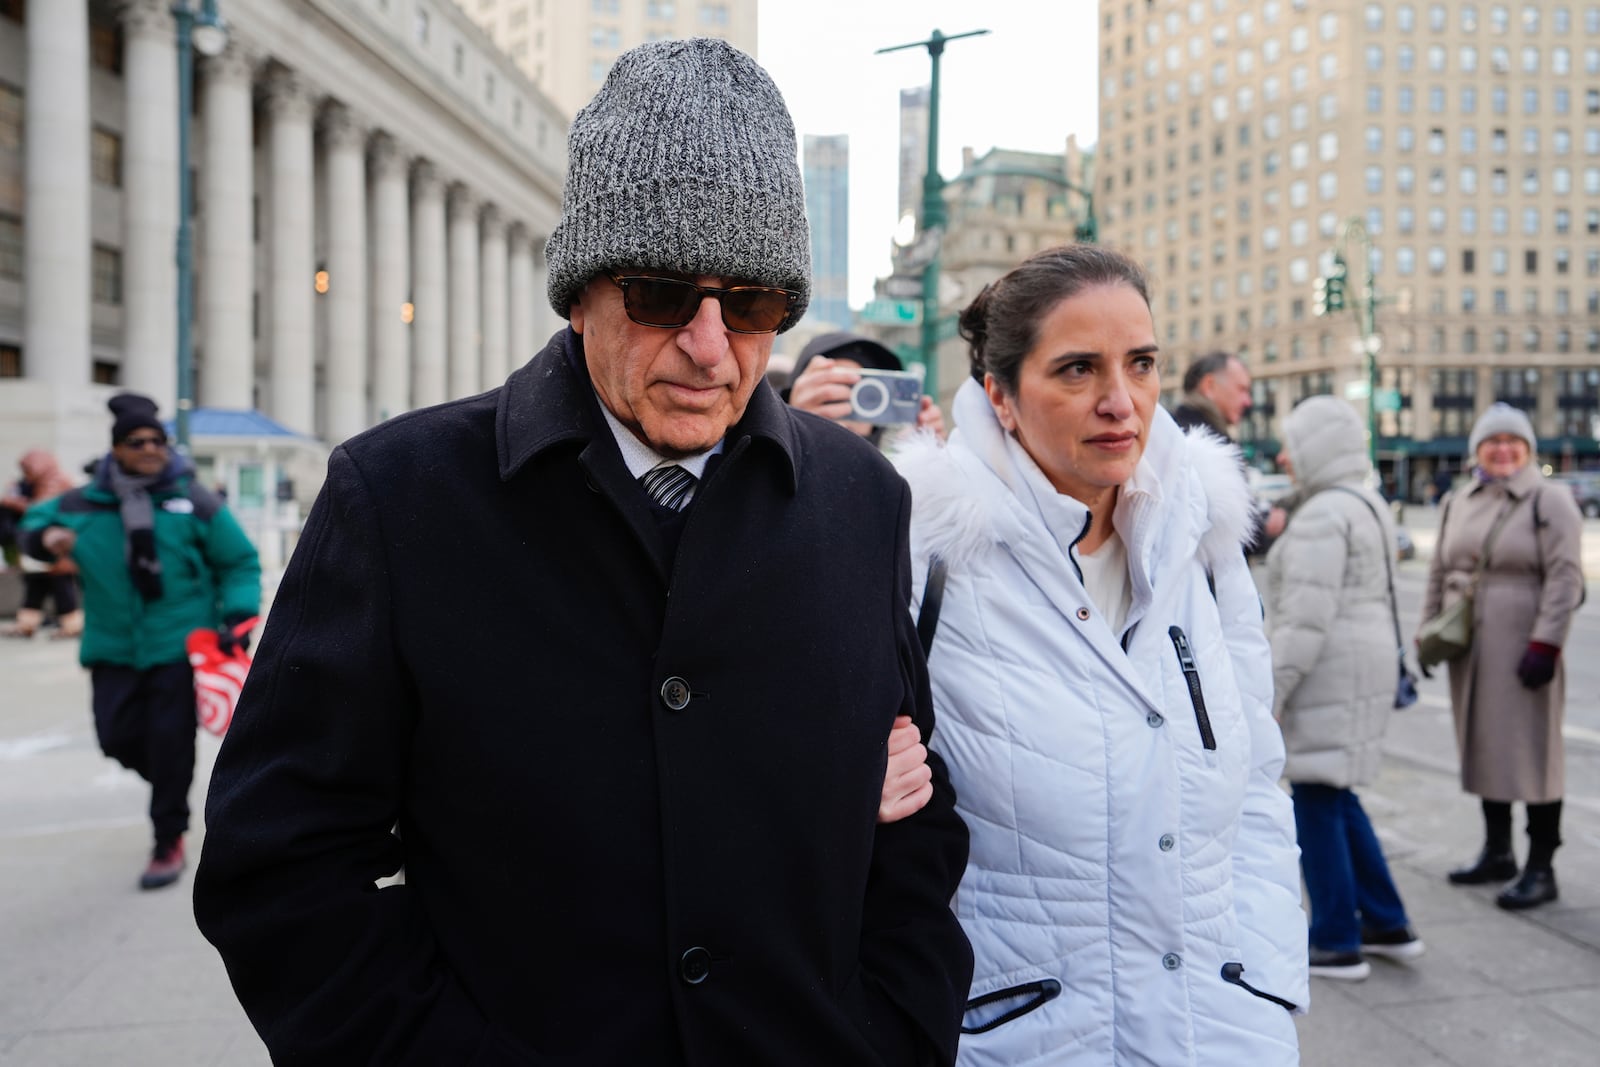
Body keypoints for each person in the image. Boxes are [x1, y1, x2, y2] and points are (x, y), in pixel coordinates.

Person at [193, 38, 972, 1066]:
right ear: (580, 291)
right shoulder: (400, 495)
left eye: (749, 306)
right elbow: (283, 865)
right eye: (660, 296)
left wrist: (889, 1033)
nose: (708, 345)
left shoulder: (861, 496)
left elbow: (911, 819)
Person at [893, 244, 1307, 1065]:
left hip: (1219, 1031)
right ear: (1001, 397)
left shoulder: (1206, 540)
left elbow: (1258, 776)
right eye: (1078, 369)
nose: (1122, 401)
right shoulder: (921, 551)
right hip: (1017, 1040)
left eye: (1142, 364)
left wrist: (1262, 981)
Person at [19, 394, 261, 889]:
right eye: (137, 441)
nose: (150, 448)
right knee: (116, 738)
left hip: (179, 645)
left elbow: (238, 561)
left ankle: (168, 837)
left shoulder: (193, 499)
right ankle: (169, 788)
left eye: (158, 440)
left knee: (172, 742)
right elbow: (31, 525)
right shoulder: (82, 502)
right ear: (116, 449)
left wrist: (237, 617)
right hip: (111, 647)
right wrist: (46, 542)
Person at [1265, 396, 1423, 981]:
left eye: (1293, 444)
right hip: (1362, 662)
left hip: (1330, 668)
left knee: (1315, 797)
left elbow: (1305, 619)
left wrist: (1272, 694)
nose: (1284, 455)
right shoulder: (1365, 503)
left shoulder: (1323, 516)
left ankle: (1335, 937)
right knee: (1337, 793)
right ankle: (1386, 921)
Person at [1425, 403, 1585, 910]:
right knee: (1484, 746)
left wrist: (1547, 643)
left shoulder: (1549, 500)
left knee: (1534, 755)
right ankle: (1498, 852)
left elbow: (1565, 578)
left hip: (1524, 646)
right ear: (1477, 450)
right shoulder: (1458, 501)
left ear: (1528, 450)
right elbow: (1438, 570)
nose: (1502, 449)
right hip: (1469, 646)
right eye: (1491, 441)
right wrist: (1427, 631)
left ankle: (1542, 866)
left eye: (1512, 441)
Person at [1171, 350, 1287, 547]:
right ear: (1209, 386)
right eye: (1242, 389)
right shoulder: (1204, 445)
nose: (1248, 401)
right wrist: (1264, 528)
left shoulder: (1179, 432)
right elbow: (1218, 532)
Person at [785, 330, 945, 444]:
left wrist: (929, 456)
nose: (845, 417)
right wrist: (788, 424)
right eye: (831, 398)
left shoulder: (894, 478)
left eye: (868, 397)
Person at [2, 450, 83, 639]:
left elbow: (39, 510)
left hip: (57, 546)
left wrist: (12, 502)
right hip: (42, 546)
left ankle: (72, 625)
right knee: (36, 582)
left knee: (61, 584)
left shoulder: (54, 481)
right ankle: (27, 623)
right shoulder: (33, 483)